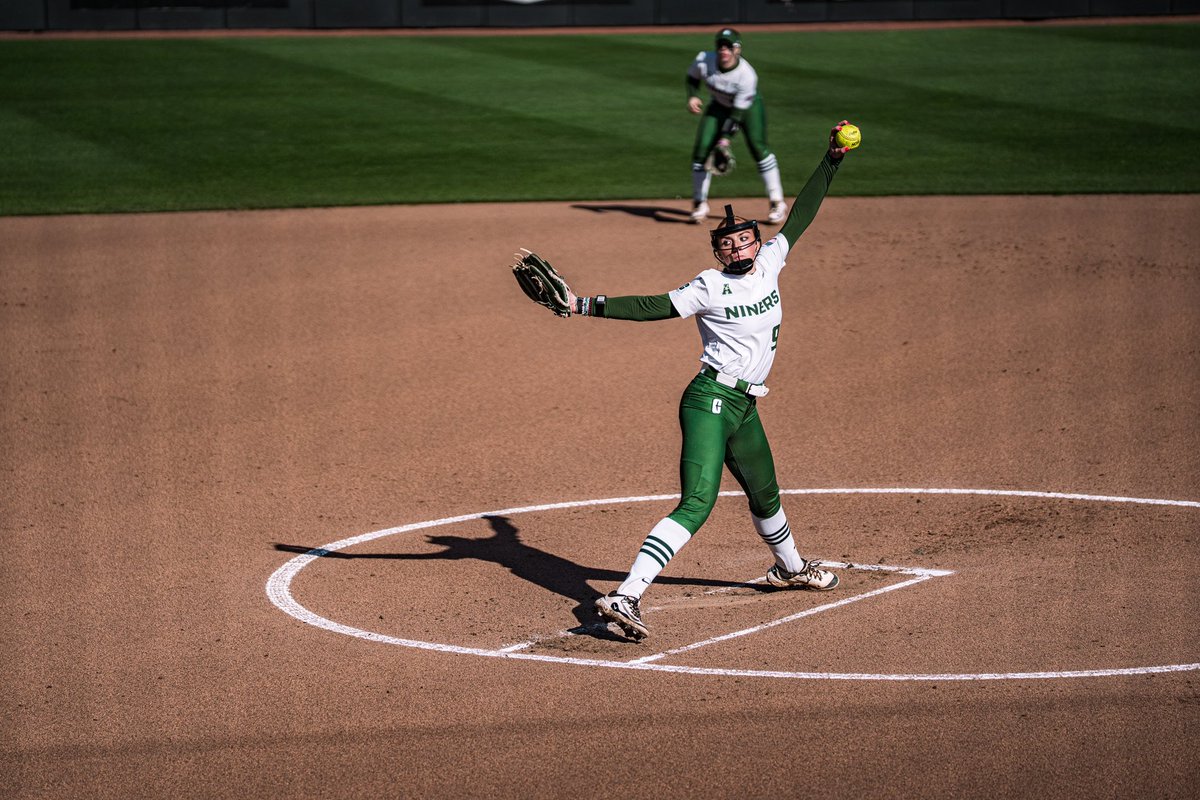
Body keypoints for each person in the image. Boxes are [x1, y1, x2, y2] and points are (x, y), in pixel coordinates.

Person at [563, 123, 858, 641]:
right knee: (698, 500)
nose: (740, 247)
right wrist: (583, 304)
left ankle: (790, 568)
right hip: (710, 400)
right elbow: (653, 306)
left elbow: (802, 215)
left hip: (745, 405)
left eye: (746, 239)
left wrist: (831, 160)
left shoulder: (771, 264)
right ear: (720, 252)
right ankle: (626, 595)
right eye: (730, 243)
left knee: (766, 493)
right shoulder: (708, 285)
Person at [686, 27, 787, 225]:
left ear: (737, 49)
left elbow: (737, 115)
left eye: (728, 46)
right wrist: (692, 95)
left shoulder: (747, 76)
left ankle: (777, 201)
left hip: (747, 109)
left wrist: (725, 140)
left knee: (758, 148)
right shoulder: (704, 60)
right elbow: (692, 77)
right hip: (719, 105)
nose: (724, 50)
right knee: (701, 150)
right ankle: (699, 202)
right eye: (720, 46)